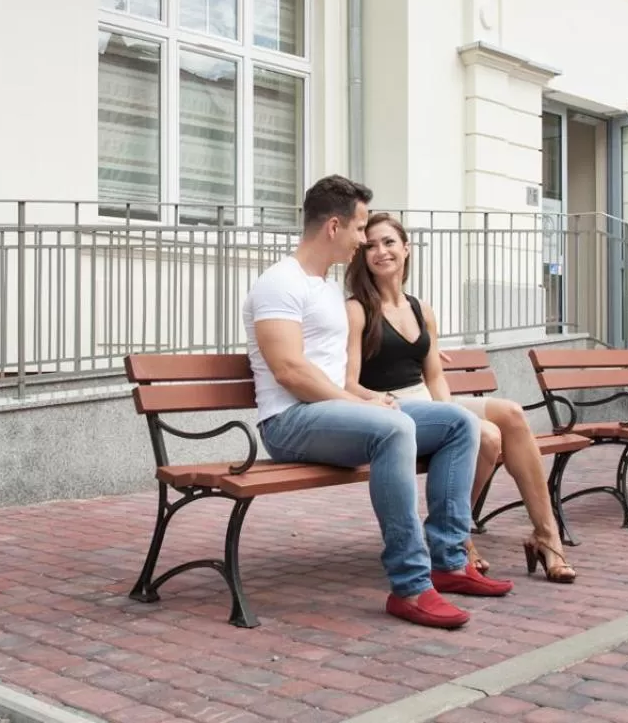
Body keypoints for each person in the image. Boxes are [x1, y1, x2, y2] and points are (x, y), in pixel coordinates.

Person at [246, 176, 514, 629]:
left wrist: (368, 397)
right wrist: (361, 406)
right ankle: (410, 586)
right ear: (334, 226)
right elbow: (289, 371)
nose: (361, 240)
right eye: (358, 229)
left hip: (331, 412)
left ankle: (447, 562)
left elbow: (336, 375)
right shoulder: (279, 283)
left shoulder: (326, 288)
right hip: (289, 423)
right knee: (394, 429)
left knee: (457, 422)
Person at [345, 212, 577, 583]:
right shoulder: (357, 310)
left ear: (406, 248)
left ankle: (546, 534)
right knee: (486, 435)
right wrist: (382, 402)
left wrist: (448, 415)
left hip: (428, 403)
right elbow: (348, 382)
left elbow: (434, 376)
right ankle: (457, 535)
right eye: (370, 245)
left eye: (389, 242)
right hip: (392, 410)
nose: (380, 251)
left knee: (512, 414)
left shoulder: (422, 310)